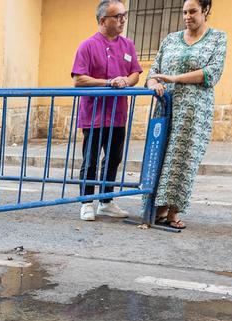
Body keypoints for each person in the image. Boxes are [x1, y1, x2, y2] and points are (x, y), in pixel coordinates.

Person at [147, 0, 227, 229]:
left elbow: (212, 73)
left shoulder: (218, 38)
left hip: (194, 112)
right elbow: (154, 70)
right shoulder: (170, 39)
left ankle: (172, 213)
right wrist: (153, 82)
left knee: (184, 160)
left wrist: (174, 79)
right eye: (184, 12)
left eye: (192, 11)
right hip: (166, 108)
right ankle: (156, 209)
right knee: (160, 157)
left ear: (206, 11)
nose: (187, 16)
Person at [72, 1, 143, 222]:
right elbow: (78, 79)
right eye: (118, 16)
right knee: (91, 160)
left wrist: (126, 81)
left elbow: (135, 73)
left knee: (113, 159)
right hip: (94, 115)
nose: (123, 19)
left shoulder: (128, 45)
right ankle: (86, 202)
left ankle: (106, 201)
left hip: (118, 114)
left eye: (124, 15)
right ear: (103, 20)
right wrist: (108, 82)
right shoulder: (87, 46)